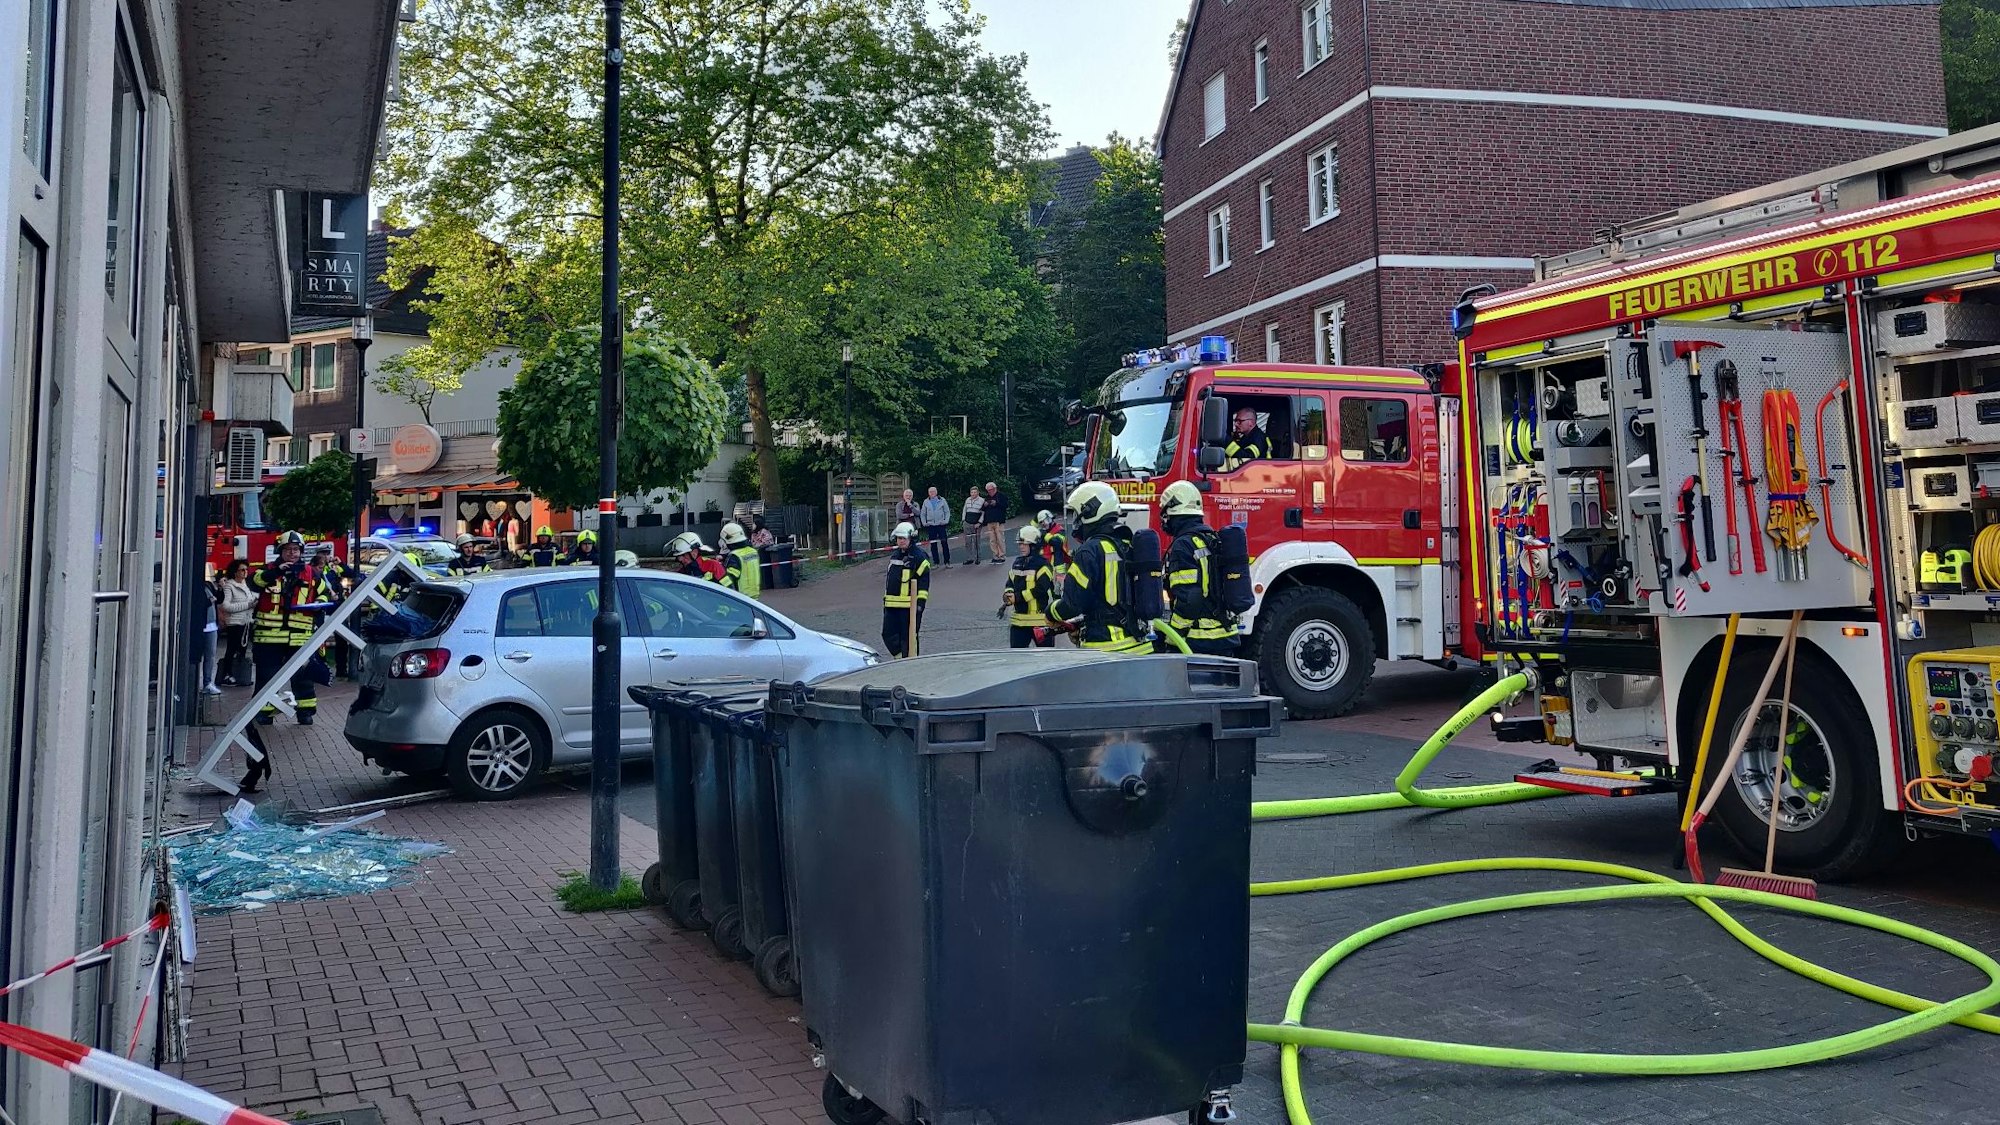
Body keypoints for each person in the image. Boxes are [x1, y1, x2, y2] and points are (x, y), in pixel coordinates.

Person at [245, 532, 326, 792]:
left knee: (302, 678)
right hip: (268, 637)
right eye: (288, 549)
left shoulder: (312, 574)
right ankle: (264, 714)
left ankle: (306, 713)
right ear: (280, 551)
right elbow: (254, 583)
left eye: (296, 549)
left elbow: (325, 596)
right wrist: (275, 573)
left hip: (299, 636)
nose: (292, 553)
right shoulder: (267, 571)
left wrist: (318, 608)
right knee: (267, 678)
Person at [1046, 482, 1149, 653]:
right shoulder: (1128, 544)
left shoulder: (1090, 550)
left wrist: (1051, 613)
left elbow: (1072, 605)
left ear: (1090, 512)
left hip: (1107, 650)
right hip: (1140, 645)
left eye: (1077, 514)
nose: (1076, 521)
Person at [1158, 480, 1239, 656]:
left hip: (1199, 640)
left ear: (1173, 511)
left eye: (1165, 515)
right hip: (1226, 635)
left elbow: (1190, 598)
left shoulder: (1183, 545)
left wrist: (1174, 636)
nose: (1164, 521)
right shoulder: (1211, 537)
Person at [881, 522, 932, 658]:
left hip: (909, 607)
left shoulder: (919, 557)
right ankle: (899, 660)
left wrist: (920, 604)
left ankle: (911, 664)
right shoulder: (895, 555)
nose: (900, 541)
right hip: (891, 606)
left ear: (911, 538)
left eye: (903, 538)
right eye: (898, 538)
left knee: (908, 638)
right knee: (888, 635)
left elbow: (923, 582)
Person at [1002, 525, 1056, 649]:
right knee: (1018, 660)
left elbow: (1041, 590)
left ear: (1033, 545)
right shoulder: (1017, 562)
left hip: (1041, 622)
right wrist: (1008, 594)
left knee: (1047, 659)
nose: (1021, 547)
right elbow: (1010, 582)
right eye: (1020, 544)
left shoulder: (1043, 565)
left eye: (1024, 544)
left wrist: (1017, 597)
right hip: (1019, 622)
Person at [215, 559, 256, 685]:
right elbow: (226, 606)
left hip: (246, 622)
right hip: (235, 622)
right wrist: (247, 605)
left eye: (246, 570)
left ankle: (239, 674)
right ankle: (227, 674)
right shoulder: (229, 586)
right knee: (231, 649)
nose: (245, 572)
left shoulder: (245, 585)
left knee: (242, 649)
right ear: (235, 572)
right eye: (242, 570)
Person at [192, 578, 222, 695]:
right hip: (201, 625)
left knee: (210, 655)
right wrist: (210, 601)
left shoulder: (208, 585)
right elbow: (198, 604)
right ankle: (197, 683)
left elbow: (219, 599)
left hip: (212, 625)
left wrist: (220, 588)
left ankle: (208, 683)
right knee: (197, 655)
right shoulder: (195, 586)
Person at [720, 521, 762, 598]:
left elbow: (730, 579)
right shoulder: (753, 551)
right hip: (754, 596)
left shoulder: (734, 556)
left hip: (741, 598)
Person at [920, 486, 952, 564]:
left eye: (933, 491)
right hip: (931, 526)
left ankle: (947, 562)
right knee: (933, 545)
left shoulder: (942, 500)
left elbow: (947, 511)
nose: (932, 493)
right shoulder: (926, 502)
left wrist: (945, 521)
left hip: (941, 525)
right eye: (930, 492)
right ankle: (936, 562)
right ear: (928, 493)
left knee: (944, 543)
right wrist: (924, 523)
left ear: (936, 492)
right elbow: (923, 514)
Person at [983, 481, 1009, 562]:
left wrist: (996, 503)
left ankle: (1002, 555)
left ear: (995, 488)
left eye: (991, 490)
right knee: (992, 540)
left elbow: (1006, 505)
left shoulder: (1001, 496)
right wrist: (984, 505)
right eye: (988, 490)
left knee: (1000, 538)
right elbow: (983, 509)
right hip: (989, 521)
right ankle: (995, 555)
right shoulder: (987, 497)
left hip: (999, 520)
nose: (990, 492)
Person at [960, 485, 987, 566]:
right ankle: (969, 558)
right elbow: (964, 509)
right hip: (967, 523)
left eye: (975, 492)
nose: (973, 494)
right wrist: (963, 520)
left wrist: (979, 523)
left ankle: (977, 558)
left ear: (978, 493)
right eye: (972, 492)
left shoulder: (982, 501)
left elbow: (983, 513)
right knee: (968, 542)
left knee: (976, 542)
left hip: (976, 524)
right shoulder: (967, 500)